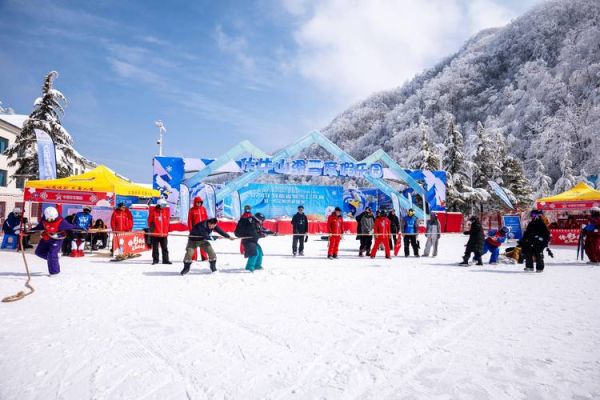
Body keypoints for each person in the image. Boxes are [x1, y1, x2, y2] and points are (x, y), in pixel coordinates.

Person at [29, 206, 78, 275]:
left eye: (52, 219)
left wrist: (81, 228)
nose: (50, 220)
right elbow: (39, 227)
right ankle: (53, 259)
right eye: (48, 219)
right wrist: (28, 231)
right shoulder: (44, 219)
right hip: (47, 237)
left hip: (57, 239)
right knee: (39, 252)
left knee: (52, 254)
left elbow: (72, 226)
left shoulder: (61, 221)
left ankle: (55, 272)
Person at [147, 198, 171, 265]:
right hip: (156, 234)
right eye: (163, 205)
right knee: (155, 248)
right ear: (159, 205)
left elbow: (167, 223)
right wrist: (153, 229)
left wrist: (166, 231)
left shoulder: (165, 212)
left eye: (165, 205)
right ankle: (155, 260)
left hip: (164, 234)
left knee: (165, 248)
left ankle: (165, 260)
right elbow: (149, 222)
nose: (164, 207)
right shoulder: (154, 212)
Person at [187, 196, 209, 261]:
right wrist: (191, 230)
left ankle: (204, 257)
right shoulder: (191, 210)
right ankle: (194, 258)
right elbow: (189, 221)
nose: (199, 203)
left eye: (200, 202)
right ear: (195, 202)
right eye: (197, 202)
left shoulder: (203, 209)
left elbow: (206, 219)